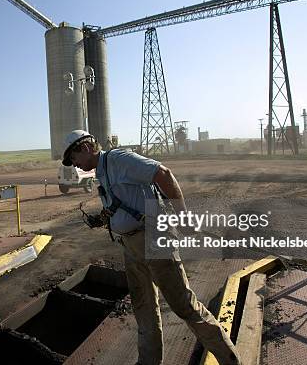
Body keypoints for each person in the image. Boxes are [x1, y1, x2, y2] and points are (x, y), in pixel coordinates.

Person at [62, 130, 241, 365]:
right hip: (131, 246)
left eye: (73, 158)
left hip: (154, 240)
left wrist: (183, 216)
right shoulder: (102, 173)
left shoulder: (119, 160)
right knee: (143, 306)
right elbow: (126, 202)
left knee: (183, 305)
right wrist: (105, 218)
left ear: (85, 148)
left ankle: (229, 358)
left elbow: (163, 174)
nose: (74, 164)